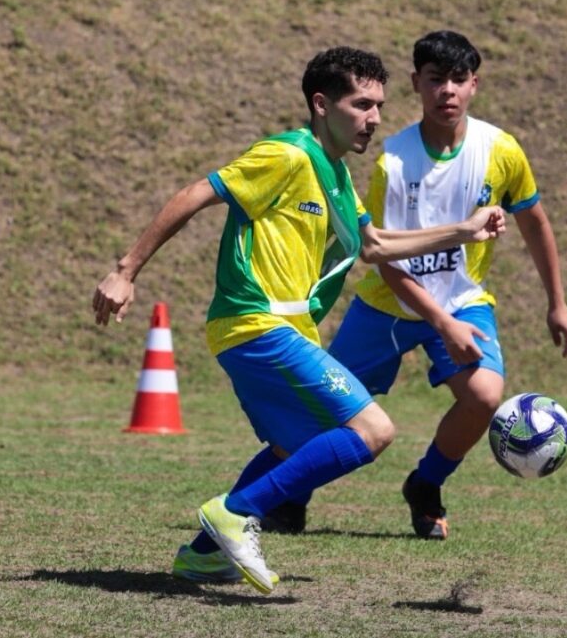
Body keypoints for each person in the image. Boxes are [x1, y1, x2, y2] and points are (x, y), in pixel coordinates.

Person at [91, 46, 506, 596]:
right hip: (257, 323)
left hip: (278, 331)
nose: (374, 118)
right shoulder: (286, 154)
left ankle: (203, 556)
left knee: (297, 445)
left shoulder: (336, 175)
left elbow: (375, 245)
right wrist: (126, 271)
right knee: (374, 430)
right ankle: (235, 513)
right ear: (321, 104)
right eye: (361, 105)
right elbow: (197, 194)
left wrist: (464, 231)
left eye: (379, 106)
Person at [259, 30, 567, 541]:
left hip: (463, 301)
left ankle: (426, 485)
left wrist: (557, 302)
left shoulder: (501, 150)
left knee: (484, 396)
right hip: (388, 304)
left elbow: (535, 222)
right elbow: (384, 258)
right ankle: (285, 497)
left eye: (458, 79)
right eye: (435, 79)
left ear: (474, 84)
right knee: (322, 405)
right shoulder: (394, 160)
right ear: (416, 83)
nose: (447, 90)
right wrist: (442, 323)